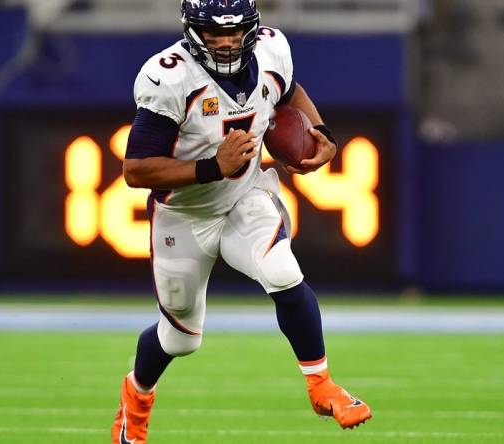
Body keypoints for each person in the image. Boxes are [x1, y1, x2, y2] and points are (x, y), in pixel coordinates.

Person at [111, 1, 372, 442]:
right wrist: (212, 167)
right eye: (214, 33)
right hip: (184, 215)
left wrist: (322, 133)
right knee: (180, 339)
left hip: (244, 197)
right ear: (192, 29)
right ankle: (135, 399)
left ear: (253, 27)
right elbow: (135, 170)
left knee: (283, 272)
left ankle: (321, 383)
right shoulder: (169, 76)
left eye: (235, 32)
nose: (227, 42)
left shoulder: (271, 49)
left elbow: (288, 93)